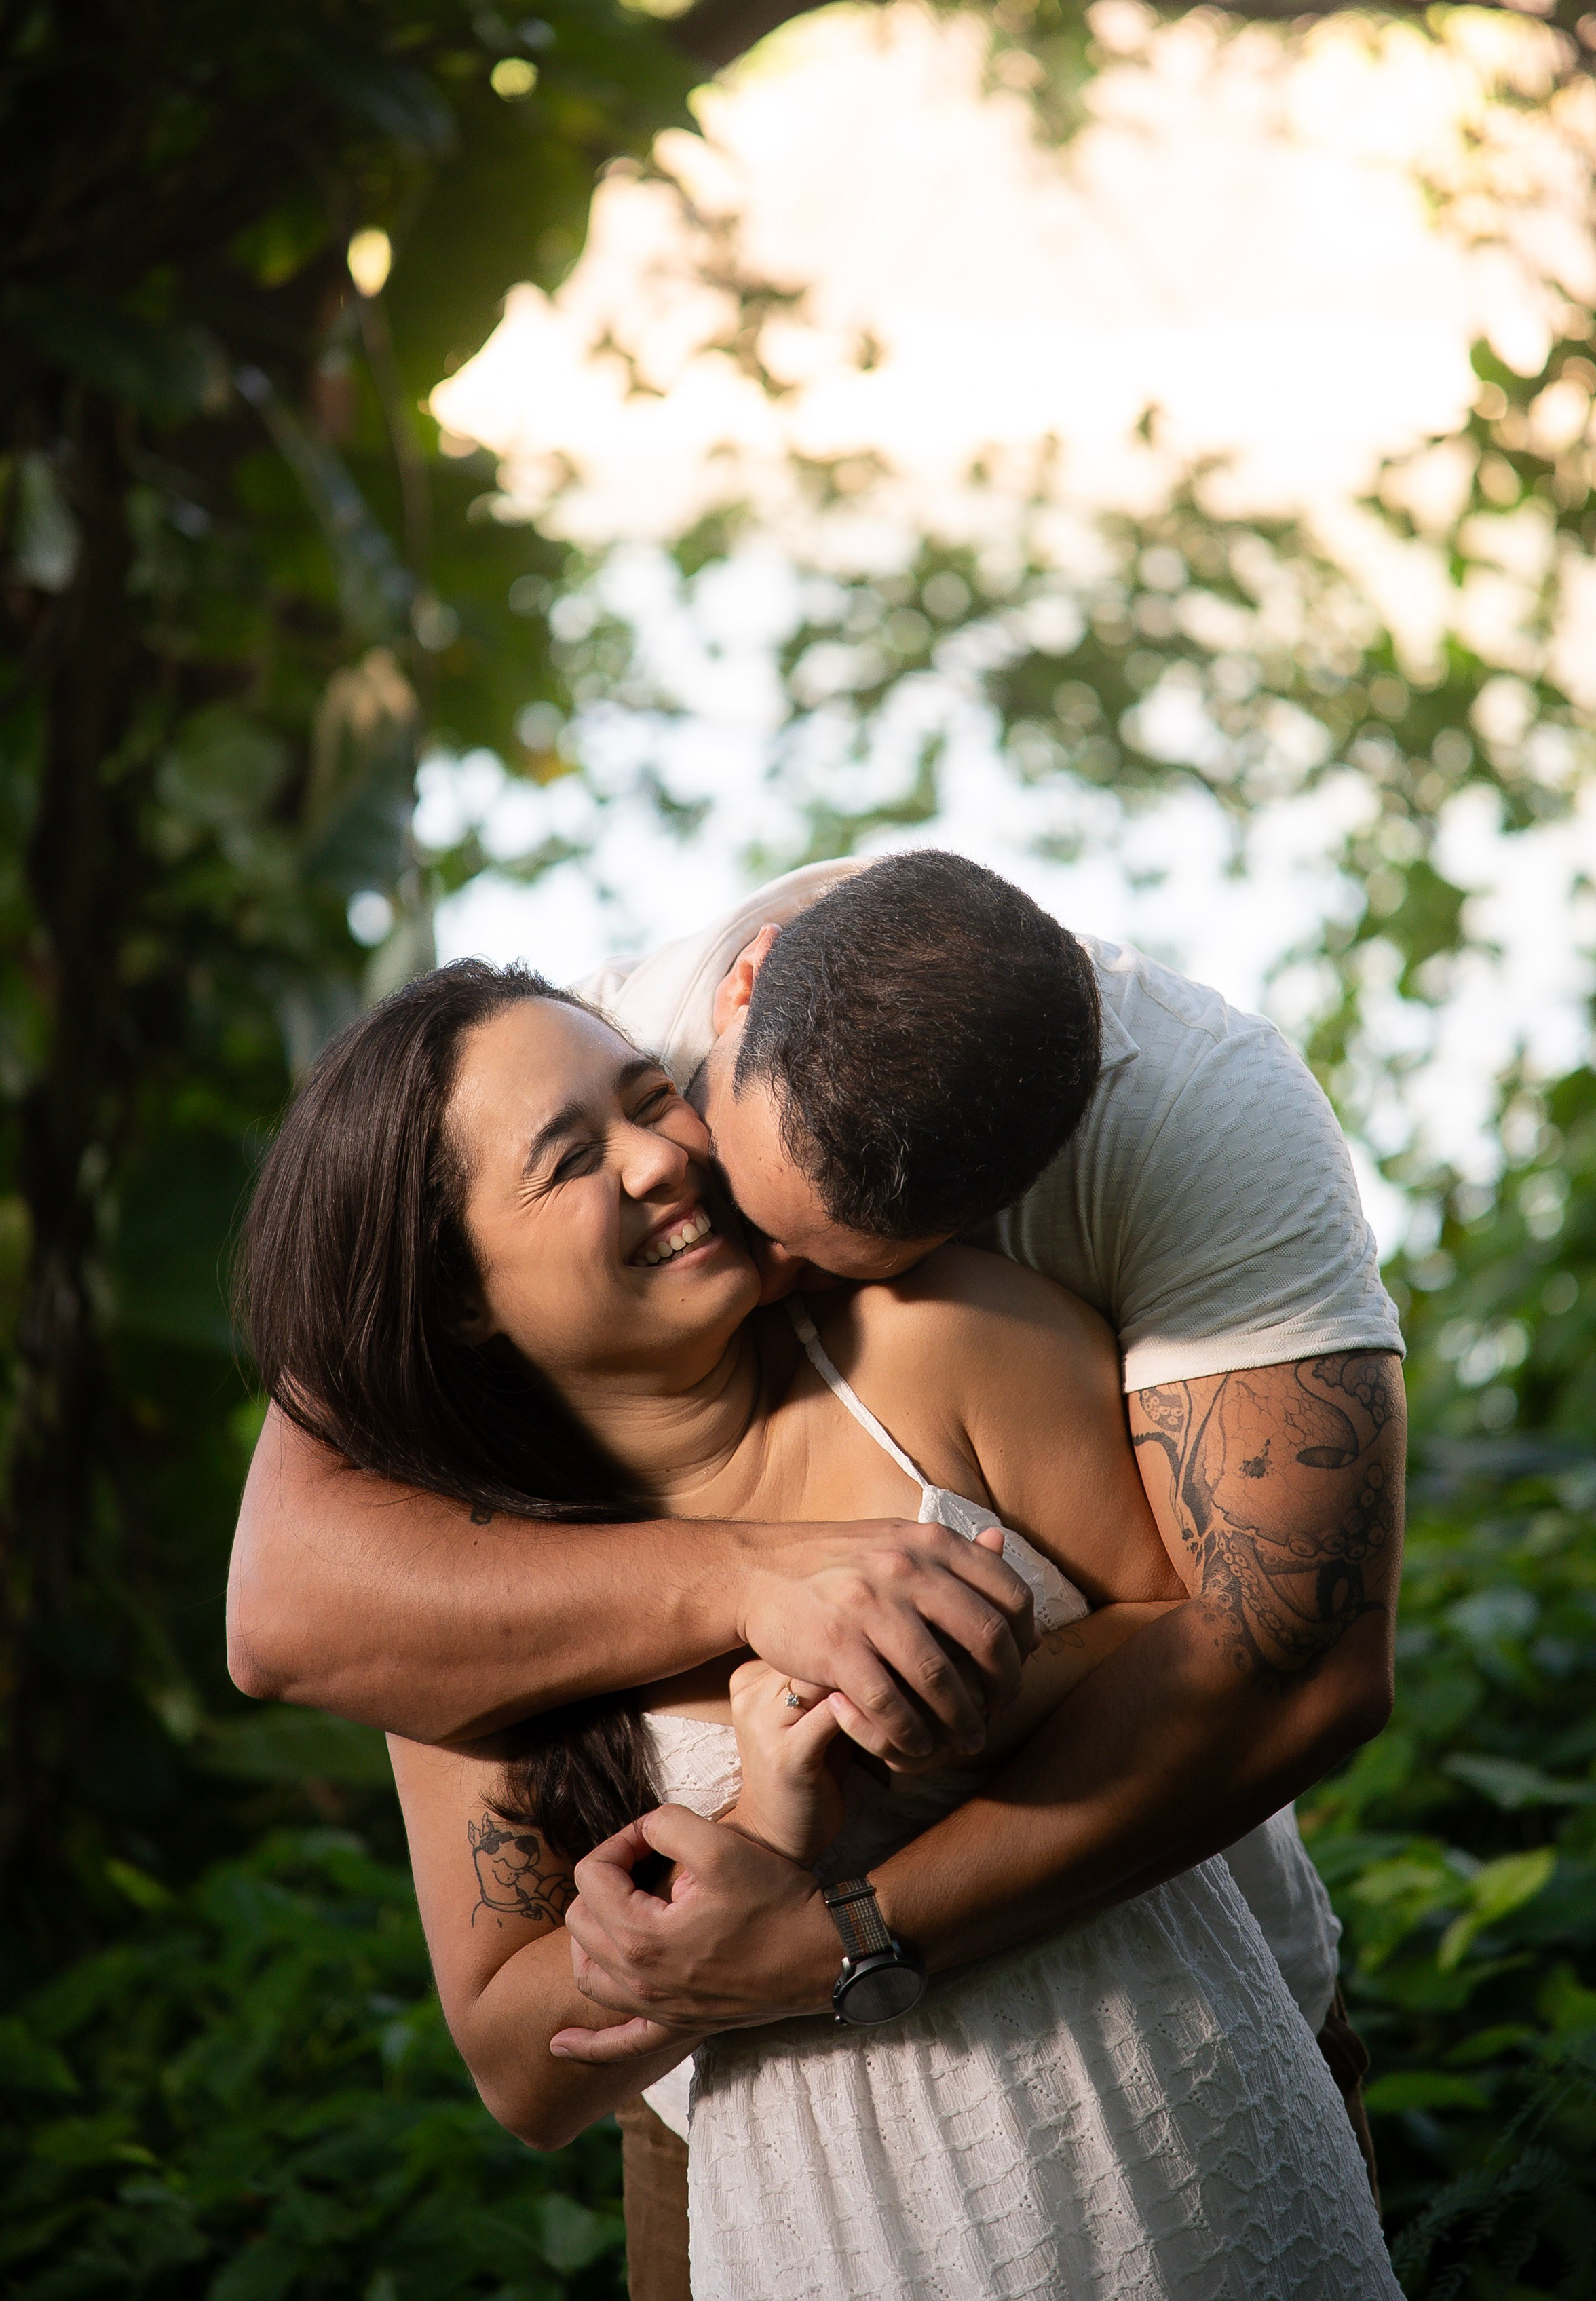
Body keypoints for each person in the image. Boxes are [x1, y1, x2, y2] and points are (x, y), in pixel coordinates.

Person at [227, 852, 1404, 2276]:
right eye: (570, 1158)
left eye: (645, 1103)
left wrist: (846, 1804)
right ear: (455, 1296)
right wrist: (761, 1800)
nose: (664, 1160)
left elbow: (1240, 1649)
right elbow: (519, 2064)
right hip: (786, 2189)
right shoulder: (453, 1596)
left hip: (1133, 2077)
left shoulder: (955, 1318)